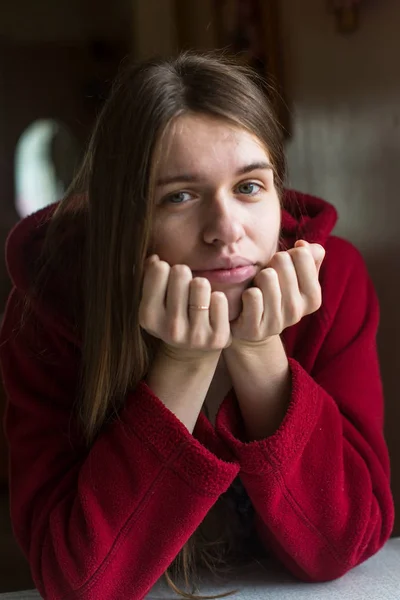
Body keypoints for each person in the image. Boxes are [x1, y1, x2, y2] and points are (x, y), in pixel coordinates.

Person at [0, 52, 394, 600]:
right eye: (179, 197)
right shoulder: (49, 309)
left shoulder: (334, 279)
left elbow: (340, 545)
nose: (226, 230)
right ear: (126, 218)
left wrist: (259, 350)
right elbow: (81, 583)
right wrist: (183, 364)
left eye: (250, 187)